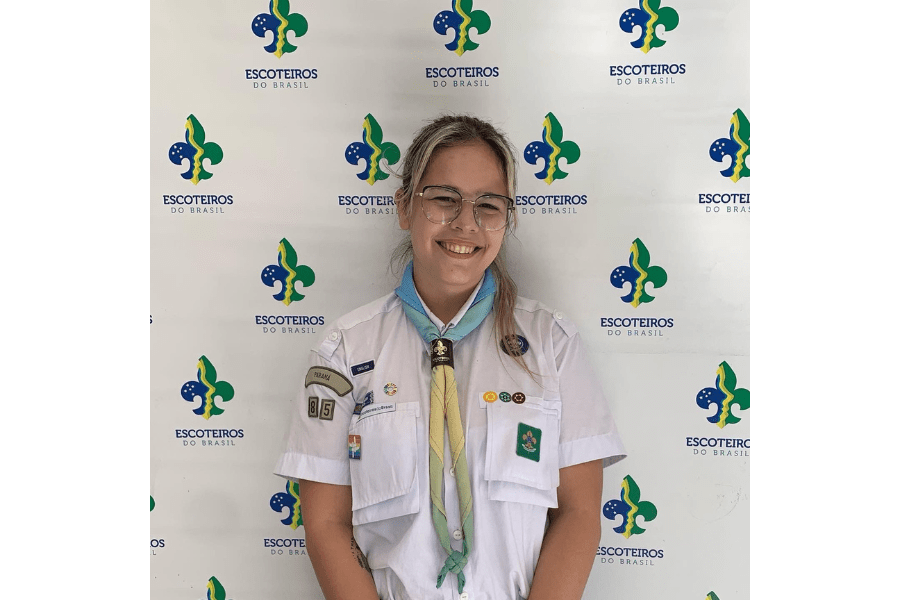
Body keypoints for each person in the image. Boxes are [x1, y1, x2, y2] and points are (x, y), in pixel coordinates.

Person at [275, 115, 625, 600]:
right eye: (444, 199)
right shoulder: (344, 351)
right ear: (405, 207)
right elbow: (325, 524)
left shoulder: (553, 344)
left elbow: (580, 514)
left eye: (488, 204)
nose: (466, 222)